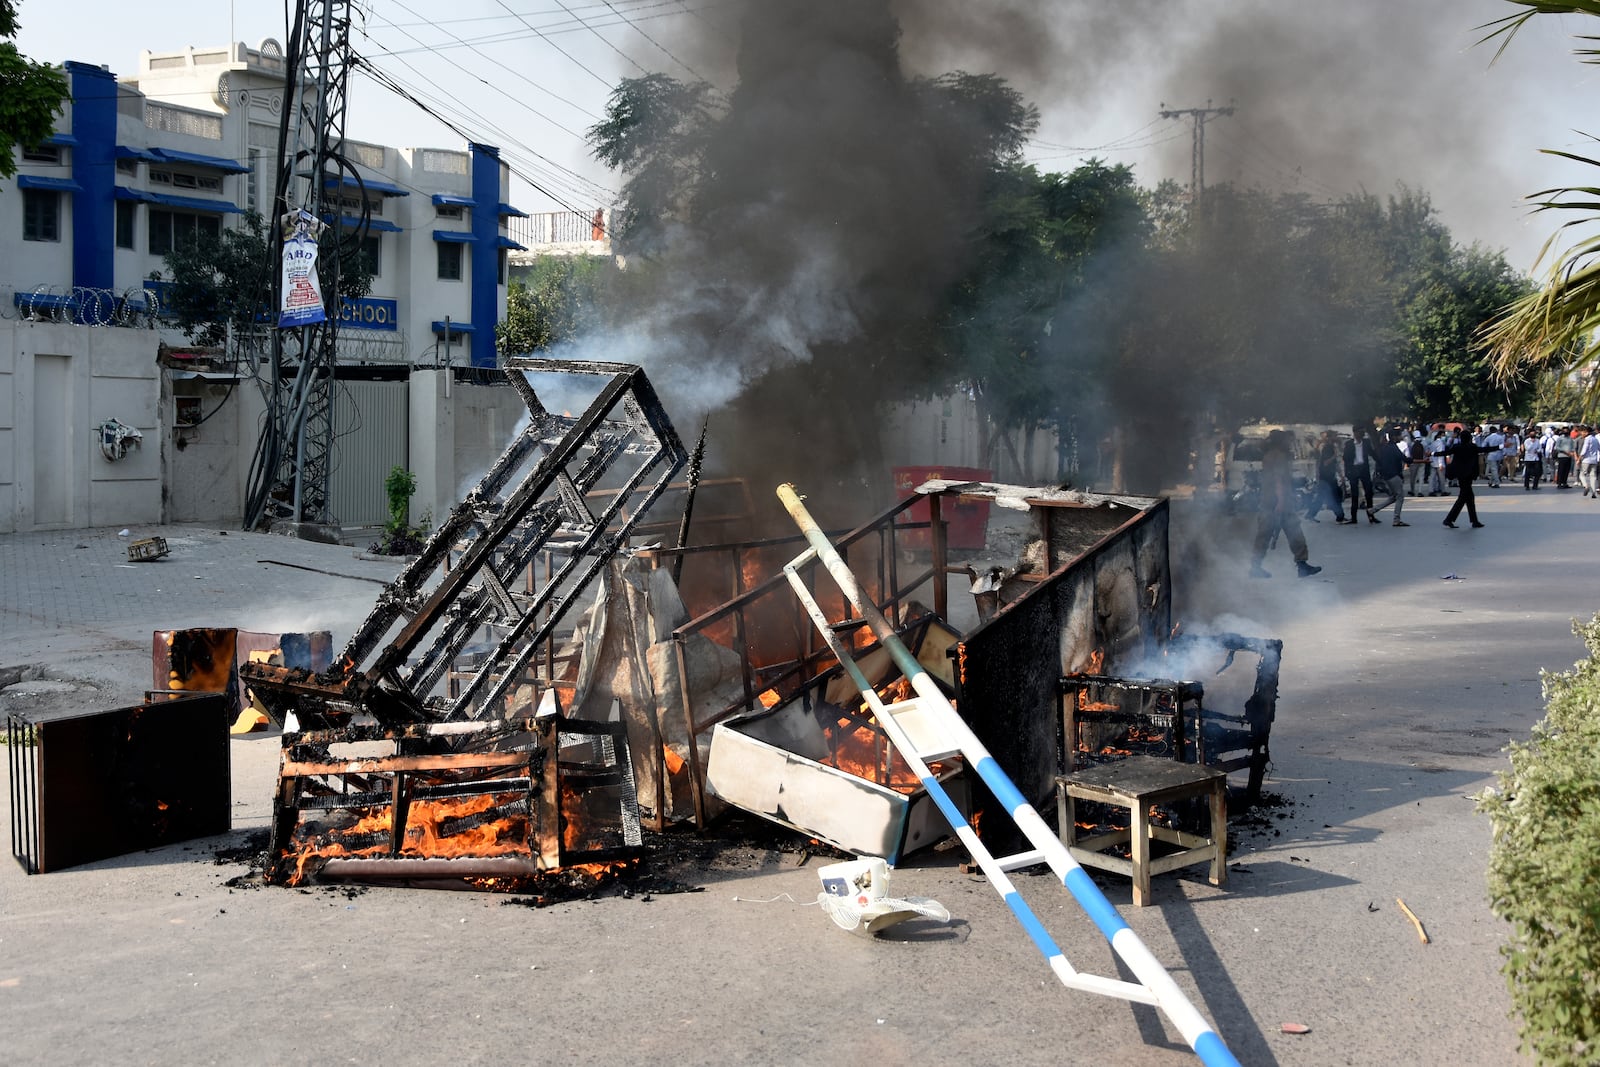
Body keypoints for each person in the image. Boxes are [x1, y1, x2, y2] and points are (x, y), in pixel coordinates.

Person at [1251, 430, 1322, 577]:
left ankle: (1255, 567)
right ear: (1281, 441)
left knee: (1264, 535)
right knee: (1294, 532)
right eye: (1287, 440)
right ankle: (1302, 565)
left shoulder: (1268, 455)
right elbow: (1279, 480)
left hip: (1268, 500)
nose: (1289, 443)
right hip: (1279, 502)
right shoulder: (1279, 456)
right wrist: (1282, 501)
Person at [1443, 427, 1492, 528]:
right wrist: (1500, 446)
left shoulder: (1457, 447)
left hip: (1460, 475)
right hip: (1469, 475)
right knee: (1463, 498)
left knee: (1468, 498)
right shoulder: (1472, 447)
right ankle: (1449, 519)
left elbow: (1446, 452)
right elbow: (1485, 449)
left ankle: (1473, 520)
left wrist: (1433, 454)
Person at [1368, 428, 1410, 526]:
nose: (1401, 437)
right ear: (1394, 437)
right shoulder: (1393, 448)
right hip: (1394, 475)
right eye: (1399, 435)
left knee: (1393, 497)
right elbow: (1403, 458)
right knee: (1400, 497)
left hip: (1387, 476)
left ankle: (1373, 510)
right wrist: (1413, 460)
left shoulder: (1385, 448)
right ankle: (1396, 519)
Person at [1308, 429, 1347, 523]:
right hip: (1326, 477)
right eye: (1335, 436)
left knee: (1322, 497)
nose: (1336, 438)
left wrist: (1341, 474)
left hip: (1329, 476)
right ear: (1330, 437)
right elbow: (1325, 463)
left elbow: (1335, 464)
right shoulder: (1327, 448)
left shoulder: (1332, 447)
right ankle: (1340, 516)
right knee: (1334, 497)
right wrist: (1335, 456)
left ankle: (1310, 515)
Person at [1343, 424, 1376, 520]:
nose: (1362, 433)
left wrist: (1380, 463)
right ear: (1355, 433)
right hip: (1353, 470)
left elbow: (1372, 453)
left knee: (1369, 492)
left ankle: (1371, 515)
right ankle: (1354, 517)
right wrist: (1347, 472)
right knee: (1355, 494)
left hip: (1363, 469)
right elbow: (1345, 459)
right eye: (1360, 432)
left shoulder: (1366, 442)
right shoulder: (1349, 444)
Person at [1580, 426, 1600, 498]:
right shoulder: (1595, 439)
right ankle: (1594, 492)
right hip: (1594, 460)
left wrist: (1580, 458)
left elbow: (1584, 450)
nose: (1581, 433)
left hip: (1586, 460)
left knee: (1582, 475)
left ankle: (1586, 486)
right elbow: (1599, 448)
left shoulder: (1587, 439)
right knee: (1593, 476)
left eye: (1582, 431)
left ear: (1586, 432)